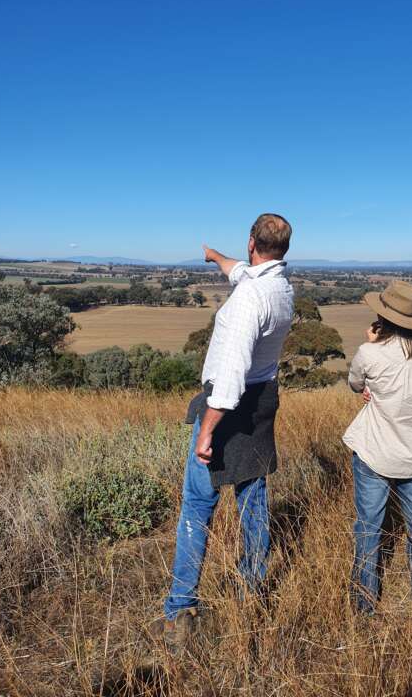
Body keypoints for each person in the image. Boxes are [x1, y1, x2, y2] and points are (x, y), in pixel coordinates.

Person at [153, 213, 294, 648]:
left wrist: (206, 431)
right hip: (261, 404)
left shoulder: (250, 299)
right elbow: (241, 271)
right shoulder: (279, 286)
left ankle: (180, 610)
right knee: (253, 501)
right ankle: (250, 592)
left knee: (197, 505)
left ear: (253, 241)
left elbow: (230, 376)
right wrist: (215, 257)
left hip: (228, 408)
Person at [342, 280, 412, 614]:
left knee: (369, 527)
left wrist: (371, 349)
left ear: (382, 319)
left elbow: (355, 383)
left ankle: (364, 605)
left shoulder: (370, 352)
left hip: (375, 453)